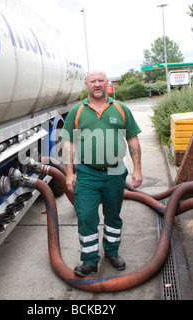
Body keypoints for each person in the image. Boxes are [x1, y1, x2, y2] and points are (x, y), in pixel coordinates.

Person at [59, 69, 143, 277]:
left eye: (101, 80)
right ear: (86, 85)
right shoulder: (77, 111)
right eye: (92, 81)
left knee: (113, 215)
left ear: (108, 84)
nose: (97, 84)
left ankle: (112, 253)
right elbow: (68, 143)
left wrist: (137, 169)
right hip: (87, 172)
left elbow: (133, 139)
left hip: (116, 171)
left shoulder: (121, 109)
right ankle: (89, 260)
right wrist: (69, 173)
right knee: (86, 216)